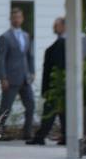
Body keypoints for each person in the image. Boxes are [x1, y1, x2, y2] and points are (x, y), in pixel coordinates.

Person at [0, 7, 35, 140]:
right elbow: (0, 58)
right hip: (11, 77)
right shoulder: (5, 37)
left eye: (19, 17)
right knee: (6, 108)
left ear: (22, 19)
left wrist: (32, 71)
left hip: (25, 77)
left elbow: (30, 56)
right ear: (11, 19)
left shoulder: (26, 36)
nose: (17, 20)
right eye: (14, 17)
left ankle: (27, 132)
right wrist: (3, 77)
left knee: (30, 105)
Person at [27, 17, 66, 145]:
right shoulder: (61, 42)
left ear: (64, 26)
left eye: (56, 25)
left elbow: (57, 66)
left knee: (50, 111)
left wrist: (52, 85)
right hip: (56, 85)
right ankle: (65, 135)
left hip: (56, 85)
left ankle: (41, 136)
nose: (54, 27)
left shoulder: (62, 43)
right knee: (60, 112)